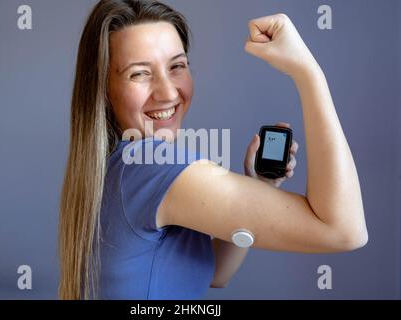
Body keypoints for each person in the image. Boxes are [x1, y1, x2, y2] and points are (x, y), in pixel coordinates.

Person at [58, 0, 368, 300]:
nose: (168, 92)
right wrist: (309, 74)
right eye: (139, 73)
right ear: (103, 88)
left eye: (177, 66)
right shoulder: (155, 166)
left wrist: (259, 186)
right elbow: (343, 230)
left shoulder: (118, 165)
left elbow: (213, 273)